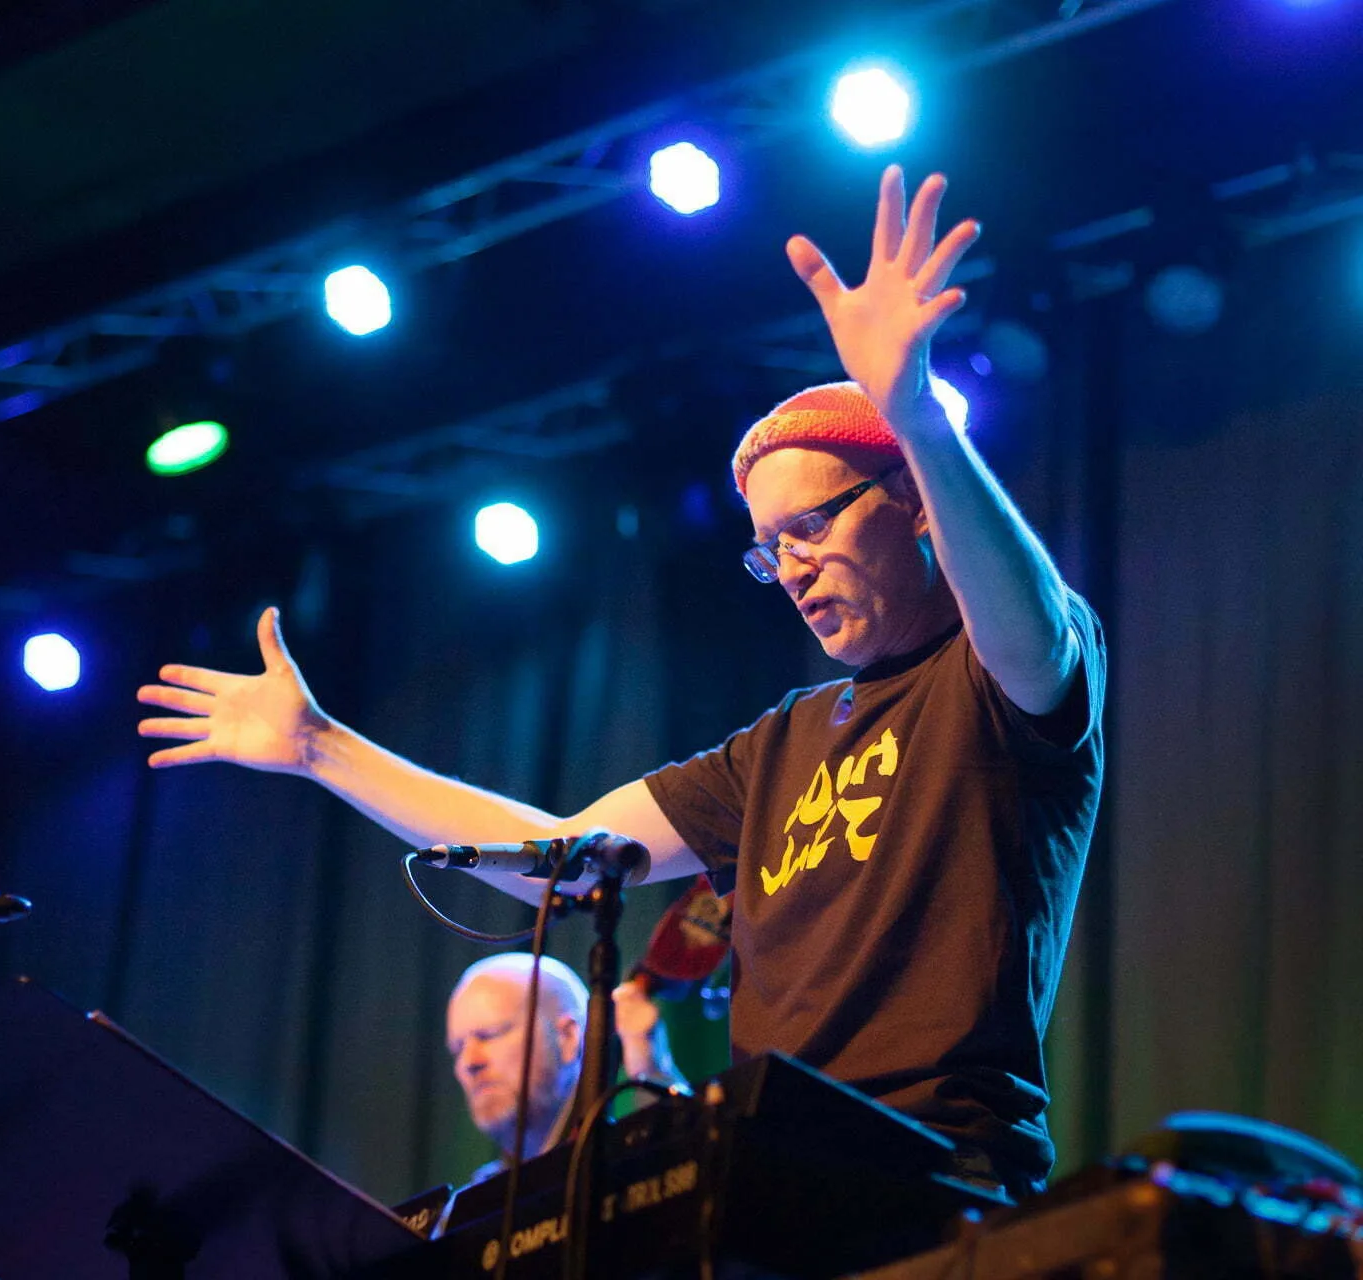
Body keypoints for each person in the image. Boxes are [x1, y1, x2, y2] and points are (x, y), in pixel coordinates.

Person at [136, 167, 1104, 1198]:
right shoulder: (773, 748)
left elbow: (1027, 627)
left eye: (813, 526)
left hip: (937, 1178)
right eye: (770, 550)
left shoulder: (997, 670)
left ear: (910, 501)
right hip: (773, 1188)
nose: (793, 567)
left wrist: (912, 411)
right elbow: (554, 860)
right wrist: (319, 747)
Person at [445, 955, 687, 1182]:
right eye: (457, 1049)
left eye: (490, 1034)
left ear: (568, 1037)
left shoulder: (622, 1163)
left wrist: (650, 1069)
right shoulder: (468, 1205)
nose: (469, 1062)